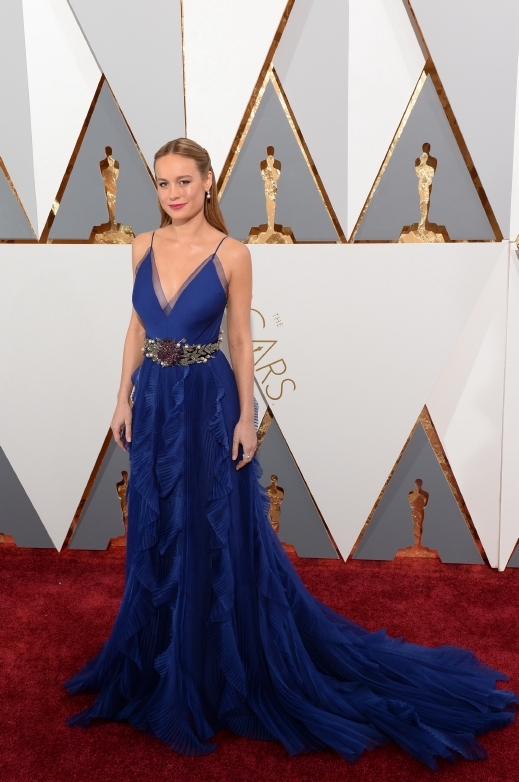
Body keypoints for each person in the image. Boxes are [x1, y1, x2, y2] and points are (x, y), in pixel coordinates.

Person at [65, 138, 517, 770]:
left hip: (208, 402)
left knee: (213, 527)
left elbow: (241, 341)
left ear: (208, 183)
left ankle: (213, 666)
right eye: (163, 183)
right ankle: (161, 653)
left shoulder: (233, 254)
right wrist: (122, 398)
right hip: (156, 401)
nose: (173, 194)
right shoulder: (140, 246)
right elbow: (136, 328)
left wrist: (246, 418)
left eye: (184, 182)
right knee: (159, 522)